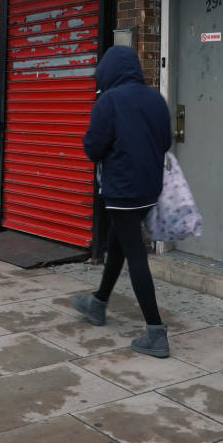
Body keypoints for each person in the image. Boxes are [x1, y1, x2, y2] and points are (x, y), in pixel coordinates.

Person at [74, 44, 173, 358]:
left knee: (136, 255)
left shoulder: (109, 101)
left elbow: (93, 148)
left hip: (121, 191)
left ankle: (156, 333)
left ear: (109, 71)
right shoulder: (155, 98)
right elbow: (166, 140)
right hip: (148, 189)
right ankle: (98, 303)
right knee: (116, 243)